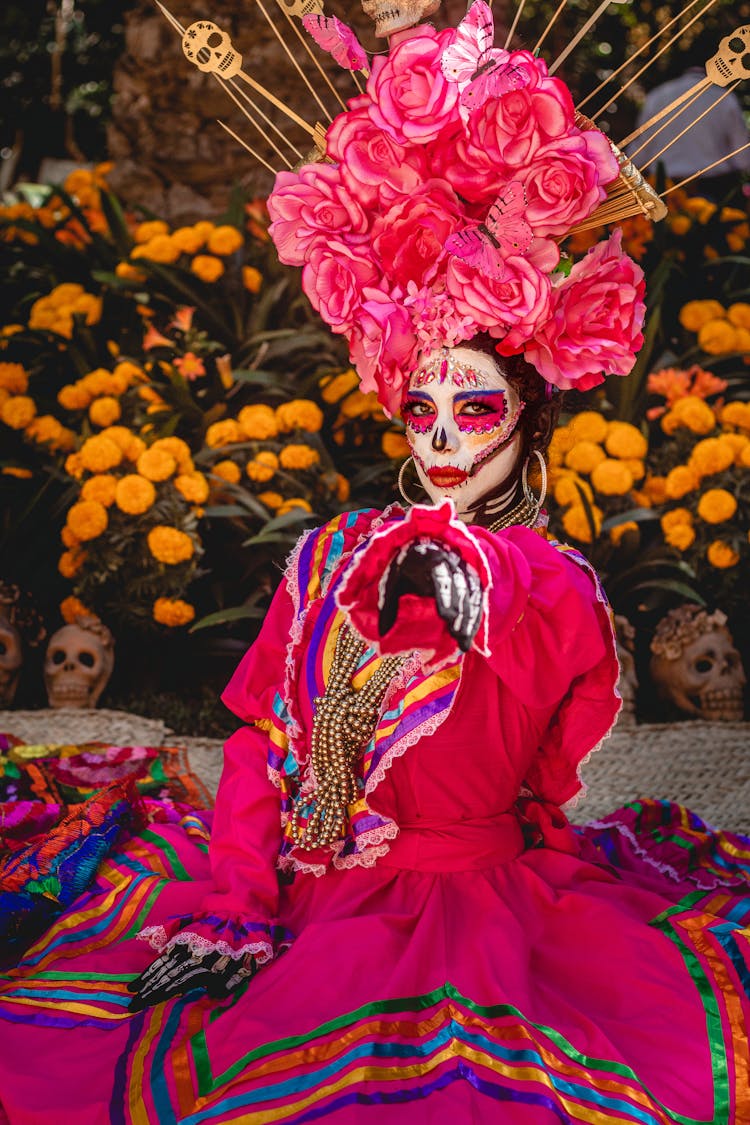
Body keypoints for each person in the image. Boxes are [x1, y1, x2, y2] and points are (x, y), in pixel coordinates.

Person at [1, 7, 749, 1122]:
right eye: (421, 406)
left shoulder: (555, 592)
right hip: (319, 899)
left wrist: (482, 631)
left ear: (529, 416)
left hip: (496, 906)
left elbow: (551, 774)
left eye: (475, 405)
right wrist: (238, 901)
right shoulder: (331, 560)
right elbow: (262, 744)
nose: (442, 435)